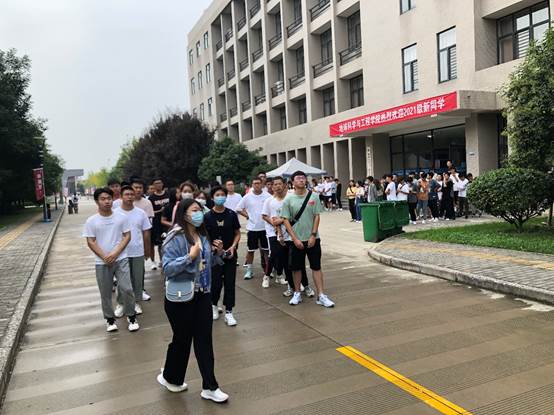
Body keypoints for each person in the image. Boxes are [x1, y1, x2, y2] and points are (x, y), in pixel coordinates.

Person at [158, 198, 229, 403]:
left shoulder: (202, 235)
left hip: (203, 294)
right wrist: (189, 257)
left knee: (204, 341)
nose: (199, 213)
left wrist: (218, 253)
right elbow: (167, 268)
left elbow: (207, 263)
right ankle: (170, 377)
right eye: (194, 210)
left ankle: (210, 387)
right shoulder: (175, 236)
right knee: (182, 341)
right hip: (181, 297)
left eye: (200, 210)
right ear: (184, 214)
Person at [83, 187, 139, 332]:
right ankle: (109, 319)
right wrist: (104, 256)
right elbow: (91, 241)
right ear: (97, 201)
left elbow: (127, 236)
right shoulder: (91, 221)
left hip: (121, 259)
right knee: (105, 292)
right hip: (101, 262)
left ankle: (131, 316)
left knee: (127, 288)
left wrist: (115, 253)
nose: (107, 201)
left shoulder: (121, 217)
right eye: (103, 199)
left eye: (109, 198)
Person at [282, 170, 335, 308]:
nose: (301, 180)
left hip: (313, 239)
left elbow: (317, 216)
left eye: (303, 178)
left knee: (316, 267)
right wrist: (294, 239)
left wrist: (313, 235)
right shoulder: (288, 199)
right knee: (296, 268)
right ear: (292, 182)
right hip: (296, 240)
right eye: (298, 178)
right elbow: (286, 220)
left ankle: (321, 295)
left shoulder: (314, 196)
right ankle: (297, 293)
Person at [204, 186, 241, 326]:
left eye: (222, 195)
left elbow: (237, 233)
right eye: (217, 195)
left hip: (230, 255)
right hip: (214, 257)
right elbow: (204, 237)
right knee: (216, 283)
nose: (220, 197)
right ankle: (214, 305)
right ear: (212, 198)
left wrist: (233, 246)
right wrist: (212, 247)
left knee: (230, 283)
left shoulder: (231, 214)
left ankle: (229, 312)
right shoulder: (207, 216)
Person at [114, 185, 152, 316]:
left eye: (132, 194)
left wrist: (147, 250)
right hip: (121, 253)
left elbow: (146, 232)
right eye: (126, 194)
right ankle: (121, 303)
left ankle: (136, 302)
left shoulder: (140, 213)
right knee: (122, 281)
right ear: (121, 197)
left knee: (137, 279)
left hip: (137, 251)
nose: (129, 197)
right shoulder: (115, 213)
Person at [236, 177, 271, 280]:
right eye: (255, 183)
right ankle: (249, 270)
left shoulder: (267, 196)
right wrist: (247, 216)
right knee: (251, 250)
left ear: (262, 184)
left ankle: (268, 271)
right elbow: (238, 208)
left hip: (265, 228)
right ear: (252, 185)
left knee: (266, 251)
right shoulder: (247, 197)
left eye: (258, 183)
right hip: (252, 228)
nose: (257, 185)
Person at [130, 178, 154, 301]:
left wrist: (147, 247)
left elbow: (147, 228)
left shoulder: (147, 203)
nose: (138, 190)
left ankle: (140, 290)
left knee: (139, 270)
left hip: (139, 242)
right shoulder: (122, 204)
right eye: (136, 187)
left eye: (140, 187)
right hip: (124, 244)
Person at [149, 178, 170, 271]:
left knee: (168, 241)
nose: (158, 185)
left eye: (159, 183)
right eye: (156, 183)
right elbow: (150, 211)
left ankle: (166, 259)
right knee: (159, 243)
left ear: (162, 184)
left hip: (167, 222)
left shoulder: (168, 194)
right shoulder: (151, 198)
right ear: (153, 186)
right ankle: (158, 261)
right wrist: (159, 211)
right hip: (157, 223)